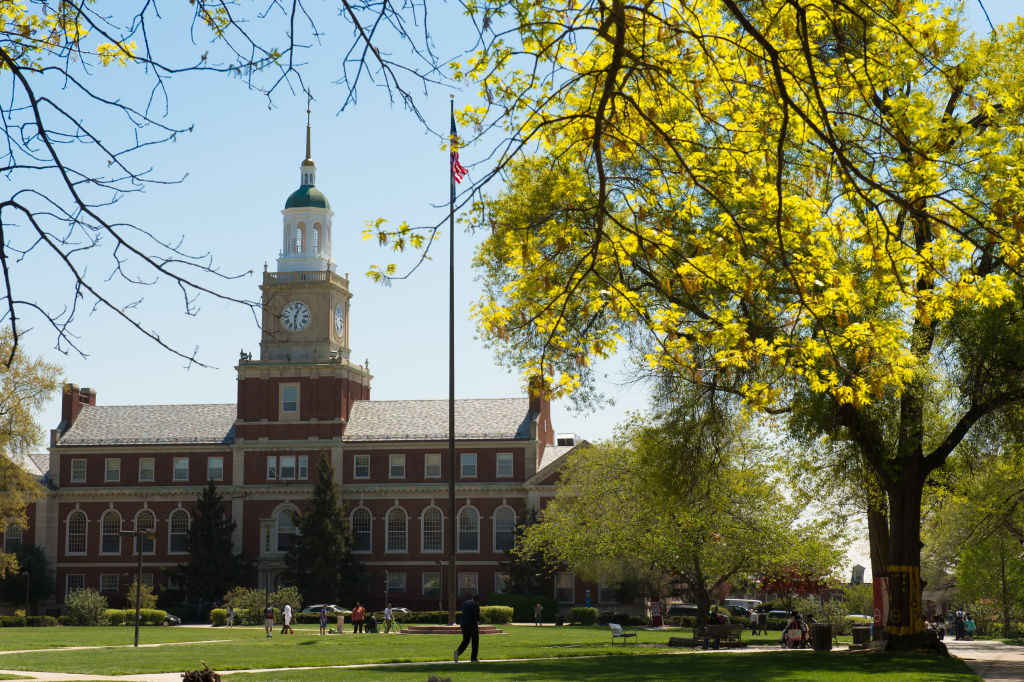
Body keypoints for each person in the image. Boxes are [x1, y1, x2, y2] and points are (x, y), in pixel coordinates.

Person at [453, 593, 481, 663]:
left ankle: (458, 652)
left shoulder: (465, 603)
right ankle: (473, 659)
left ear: (472, 598)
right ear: (477, 600)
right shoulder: (476, 605)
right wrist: (479, 621)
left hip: (463, 625)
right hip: (472, 625)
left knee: (466, 640)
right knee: (475, 642)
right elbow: (477, 617)